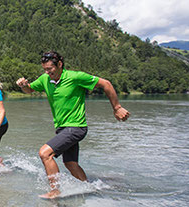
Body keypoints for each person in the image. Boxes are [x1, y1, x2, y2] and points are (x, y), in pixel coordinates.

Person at [16, 51, 130, 199]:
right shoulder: (45, 79)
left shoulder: (75, 77)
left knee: (45, 153)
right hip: (62, 128)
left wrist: (117, 108)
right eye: (44, 69)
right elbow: (29, 89)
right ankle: (88, 188)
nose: (47, 72)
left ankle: (55, 191)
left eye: (50, 69)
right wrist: (23, 86)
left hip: (76, 127)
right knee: (70, 164)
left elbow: (106, 84)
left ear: (60, 65)